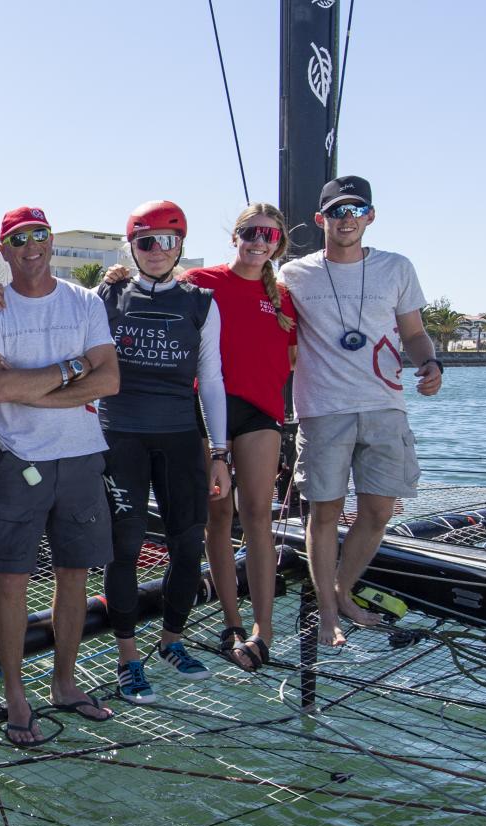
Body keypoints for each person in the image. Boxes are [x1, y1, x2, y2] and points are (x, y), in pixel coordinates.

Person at [0, 206, 120, 743]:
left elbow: (111, 380)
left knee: (75, 576)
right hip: (18, 461)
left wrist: (43, 387)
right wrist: (73, 367)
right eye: (18, 238)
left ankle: (64, 683)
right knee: (11, 581)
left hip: (81, 458)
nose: (31, 244)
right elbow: (3, 390)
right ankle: (15, 695)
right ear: (4, 251)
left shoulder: (85, 301)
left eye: (39, 234)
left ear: (51, 241)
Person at [279, 175, 441, 646]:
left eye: (354, 210)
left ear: (369, 216)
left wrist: (429, 362)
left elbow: (413, 331)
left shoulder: (397, 268)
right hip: (323, 409)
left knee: (378, 511)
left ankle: (342, 590)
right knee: (323, 514)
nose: (345, 219)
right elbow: (244, 294)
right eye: (336, 211)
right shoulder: (294, 274)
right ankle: (328, 613)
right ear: (320, 219)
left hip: (385, 406)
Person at [94, 201, 231, 704]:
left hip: (178, 437)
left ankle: (171, 641)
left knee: (188, 544)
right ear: (132, 246)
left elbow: (212, 382)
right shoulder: (106, 294)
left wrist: (220, 453)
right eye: (146, 241)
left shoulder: (200, 302)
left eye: (167, 242)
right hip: (120, 437)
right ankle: (128, 658)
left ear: (181, 247)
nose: (156, 251)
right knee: (126, 545)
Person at [187, 205, 298, 670]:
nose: (260, 241)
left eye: (269, 235)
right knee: (218, 516)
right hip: (207, 408)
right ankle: (231, 622)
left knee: (256, 517)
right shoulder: (200, 281)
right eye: (252, 232)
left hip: (261, 413)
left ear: (278, 244)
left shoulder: (283, 296)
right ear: (235, 236)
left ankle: (262, 630)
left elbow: (291, 357)